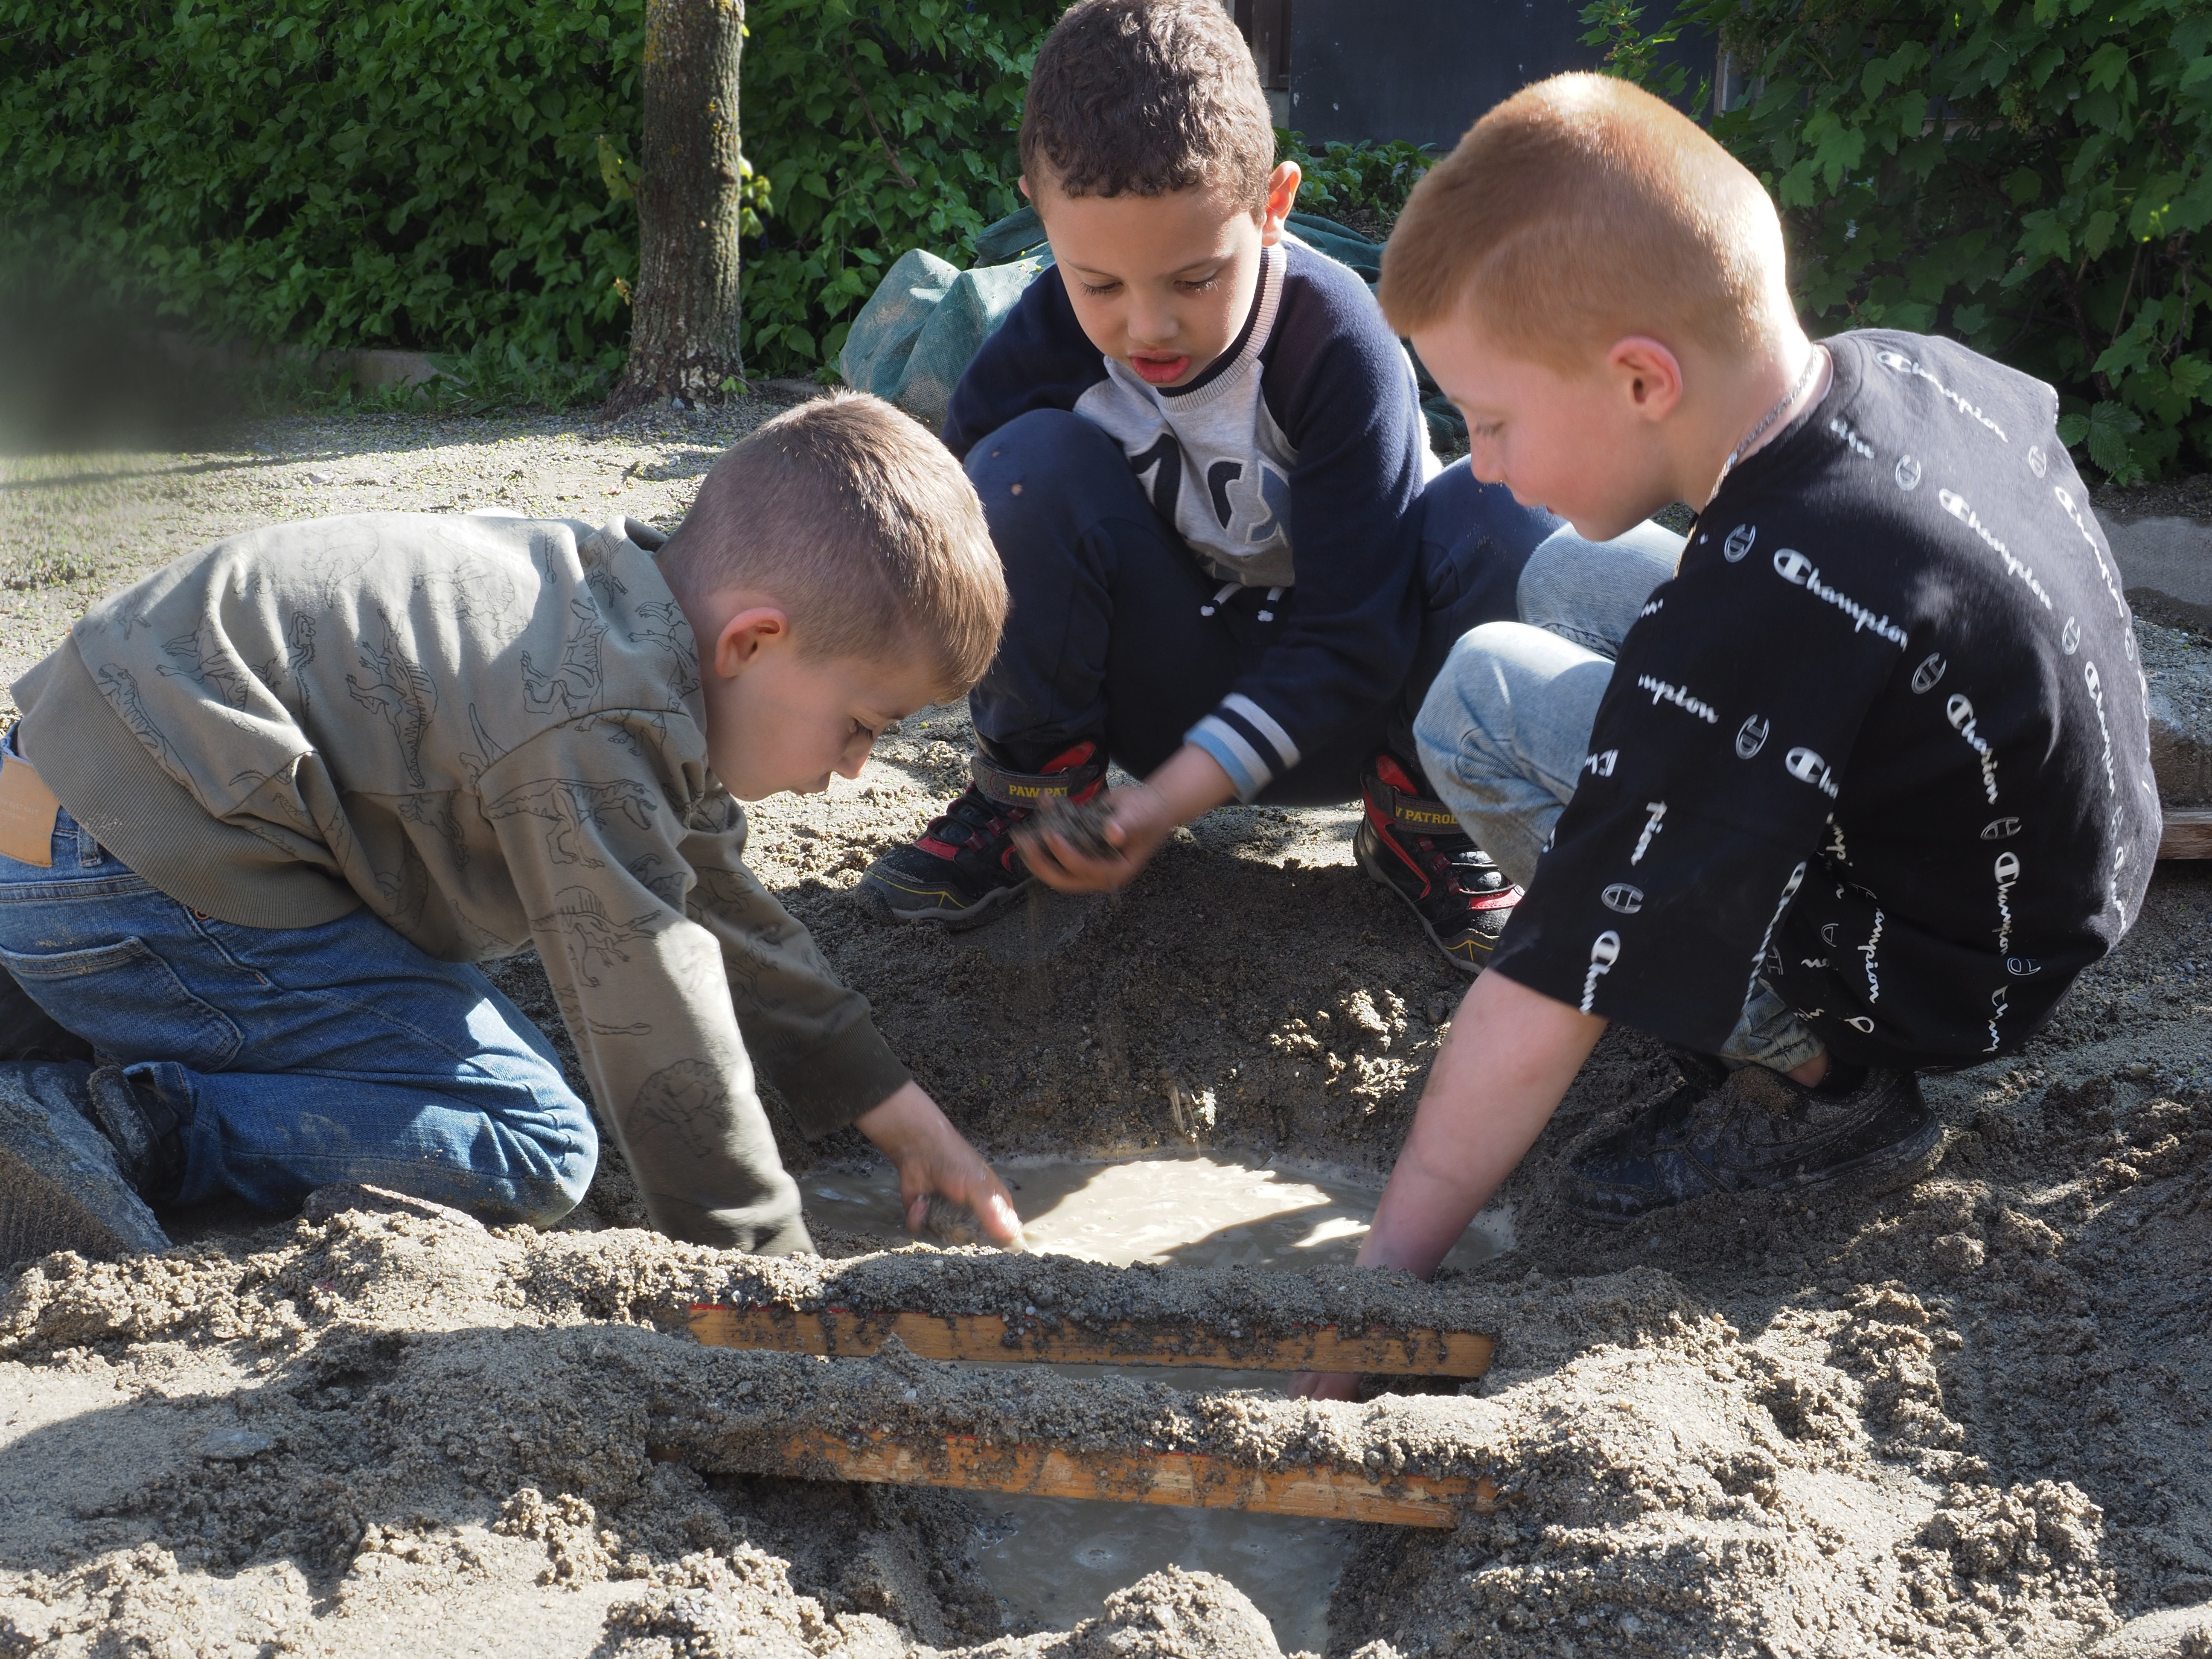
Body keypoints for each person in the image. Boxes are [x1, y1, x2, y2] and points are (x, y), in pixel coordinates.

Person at [1300, 73, 2158, 1394]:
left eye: (1494, 420)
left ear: (1642, 378)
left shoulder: (1770, 604)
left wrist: (1376, 1298)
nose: (1477, 465)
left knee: (1480, 698)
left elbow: (1543, 988)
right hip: (2061, 859)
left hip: (1948, 970)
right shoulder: (1905, 373)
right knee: (1558, 579)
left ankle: (1814, 1078)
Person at [0, 393, 1025, 1264]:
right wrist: (762, 1265)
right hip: (138, 874)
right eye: (860, 728)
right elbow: (655, 1011)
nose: (855, 769)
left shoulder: (625, 623)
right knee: (533, 1138)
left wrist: (904, 1119)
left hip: (52, 824)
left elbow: (725, 916)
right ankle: (118, 1126)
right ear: (753, 642)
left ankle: (51, 1037)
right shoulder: (598, 724)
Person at [860, 0, 1602, 971]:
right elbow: (951, 540)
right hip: (1166, 694)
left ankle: (1421, 821)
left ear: (1274, 206)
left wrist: (1169, 806)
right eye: (1101, 285)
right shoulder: (1041, 340)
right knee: (1010, 479)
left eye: (1196, 278)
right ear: (1040, 217)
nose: (1148, 326)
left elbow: (1354, 635)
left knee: (1505, 511)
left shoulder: (1336, 341)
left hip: (1364, 702)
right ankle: (1036, 800)